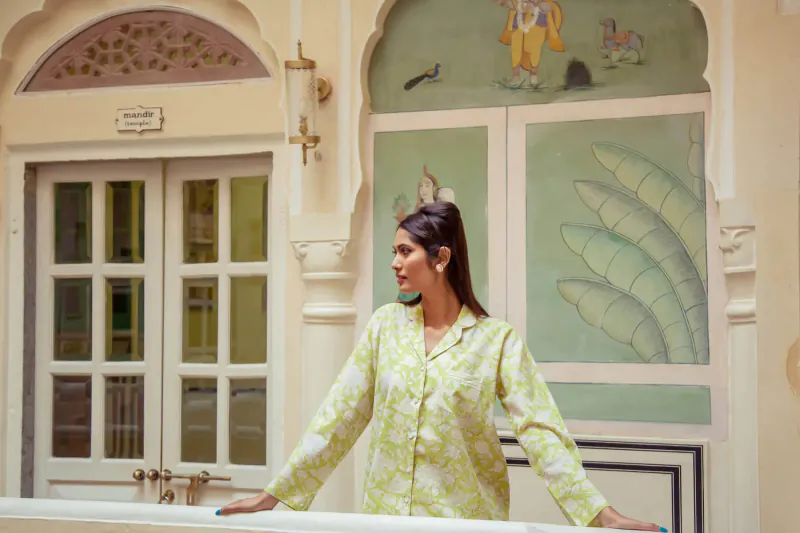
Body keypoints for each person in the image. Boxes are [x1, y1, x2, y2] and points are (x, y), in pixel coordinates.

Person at [217, 202, 666, 532]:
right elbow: (339, 416)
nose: (395, 263)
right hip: (385, 521)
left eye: (405, 251)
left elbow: (540, 432)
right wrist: (276, 493)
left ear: (442, 257)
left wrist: (596, 512)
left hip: (465, 522)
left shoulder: (497, 341)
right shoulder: (384, 327)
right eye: (394, 251)